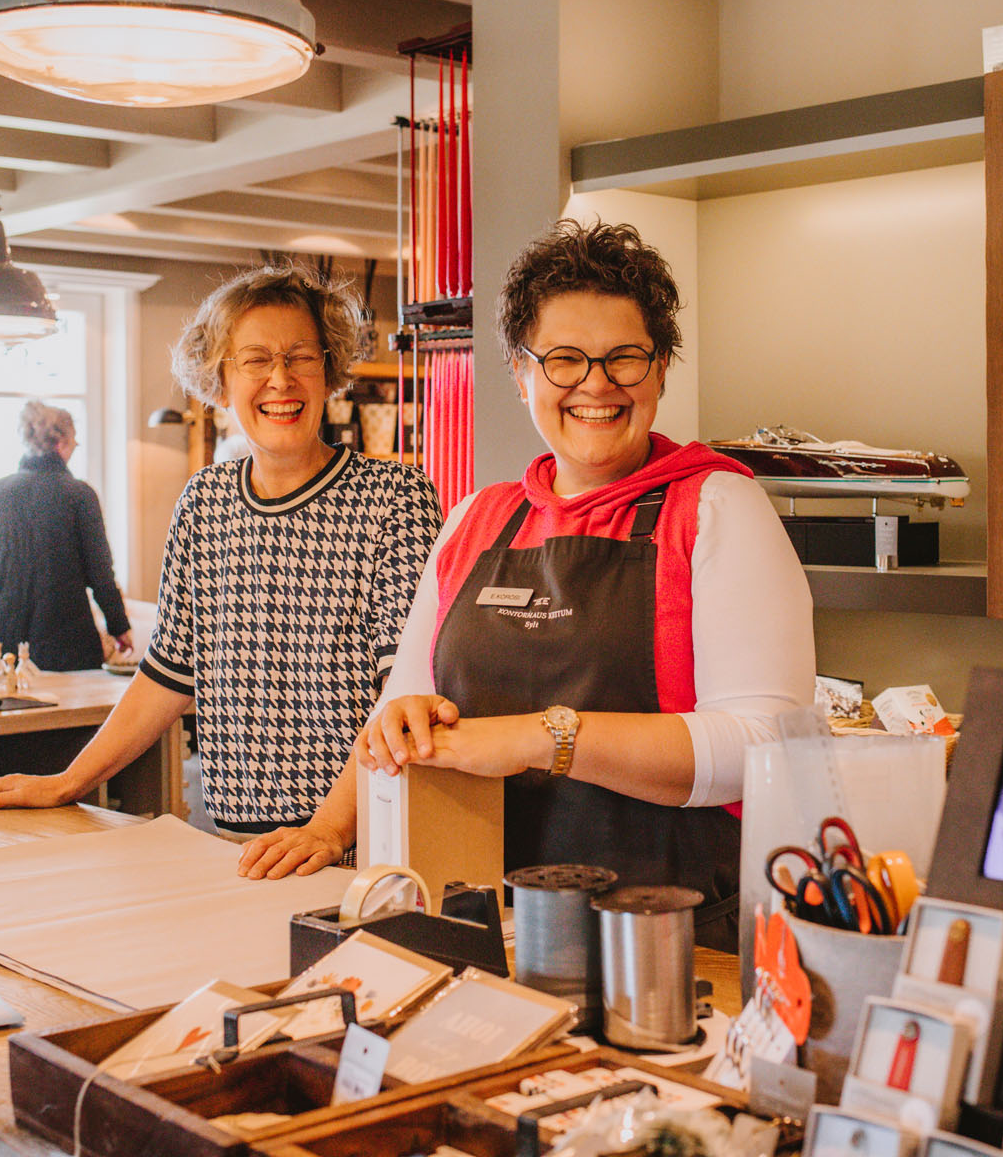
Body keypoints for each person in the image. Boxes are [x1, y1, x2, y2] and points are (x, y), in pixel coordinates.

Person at [245, 220, 814, 947]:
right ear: (521, 375)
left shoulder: (715, 508)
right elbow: (400, 707)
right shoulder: (478, 520)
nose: (596, 385)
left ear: (663, 368)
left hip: (668, 942)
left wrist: (540, 738)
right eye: (565, 360)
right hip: (490, 926)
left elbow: (762, 748)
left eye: (625, 358)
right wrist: (331, 827)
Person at [0, 265, 442, 857]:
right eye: (256, 360)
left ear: (329, 366)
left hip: (366, 839)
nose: (280, 380)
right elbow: (168, 672)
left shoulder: (395, 497)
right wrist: (66, 783)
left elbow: (404, 693)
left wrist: (330, 829)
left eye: (300, 357)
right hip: (237, 841)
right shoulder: (204, 501)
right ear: (220, 377)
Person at [0, 401, 132, 672]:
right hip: (66, 642)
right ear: (62, 443)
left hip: (5, 640)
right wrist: (119, 626)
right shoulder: (79, 495)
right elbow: (100, 571)